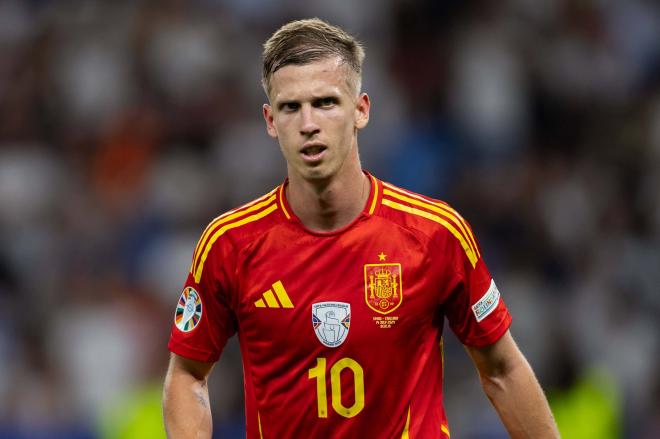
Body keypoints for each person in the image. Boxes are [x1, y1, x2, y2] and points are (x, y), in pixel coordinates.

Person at [163, 17, 560, 438]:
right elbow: (187, 374)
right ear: (269, 121)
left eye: (326, 102)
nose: (308, 123)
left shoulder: (434, 234)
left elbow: (501, 369)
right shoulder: (231, 244)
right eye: (290, 107)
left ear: (361, 110)